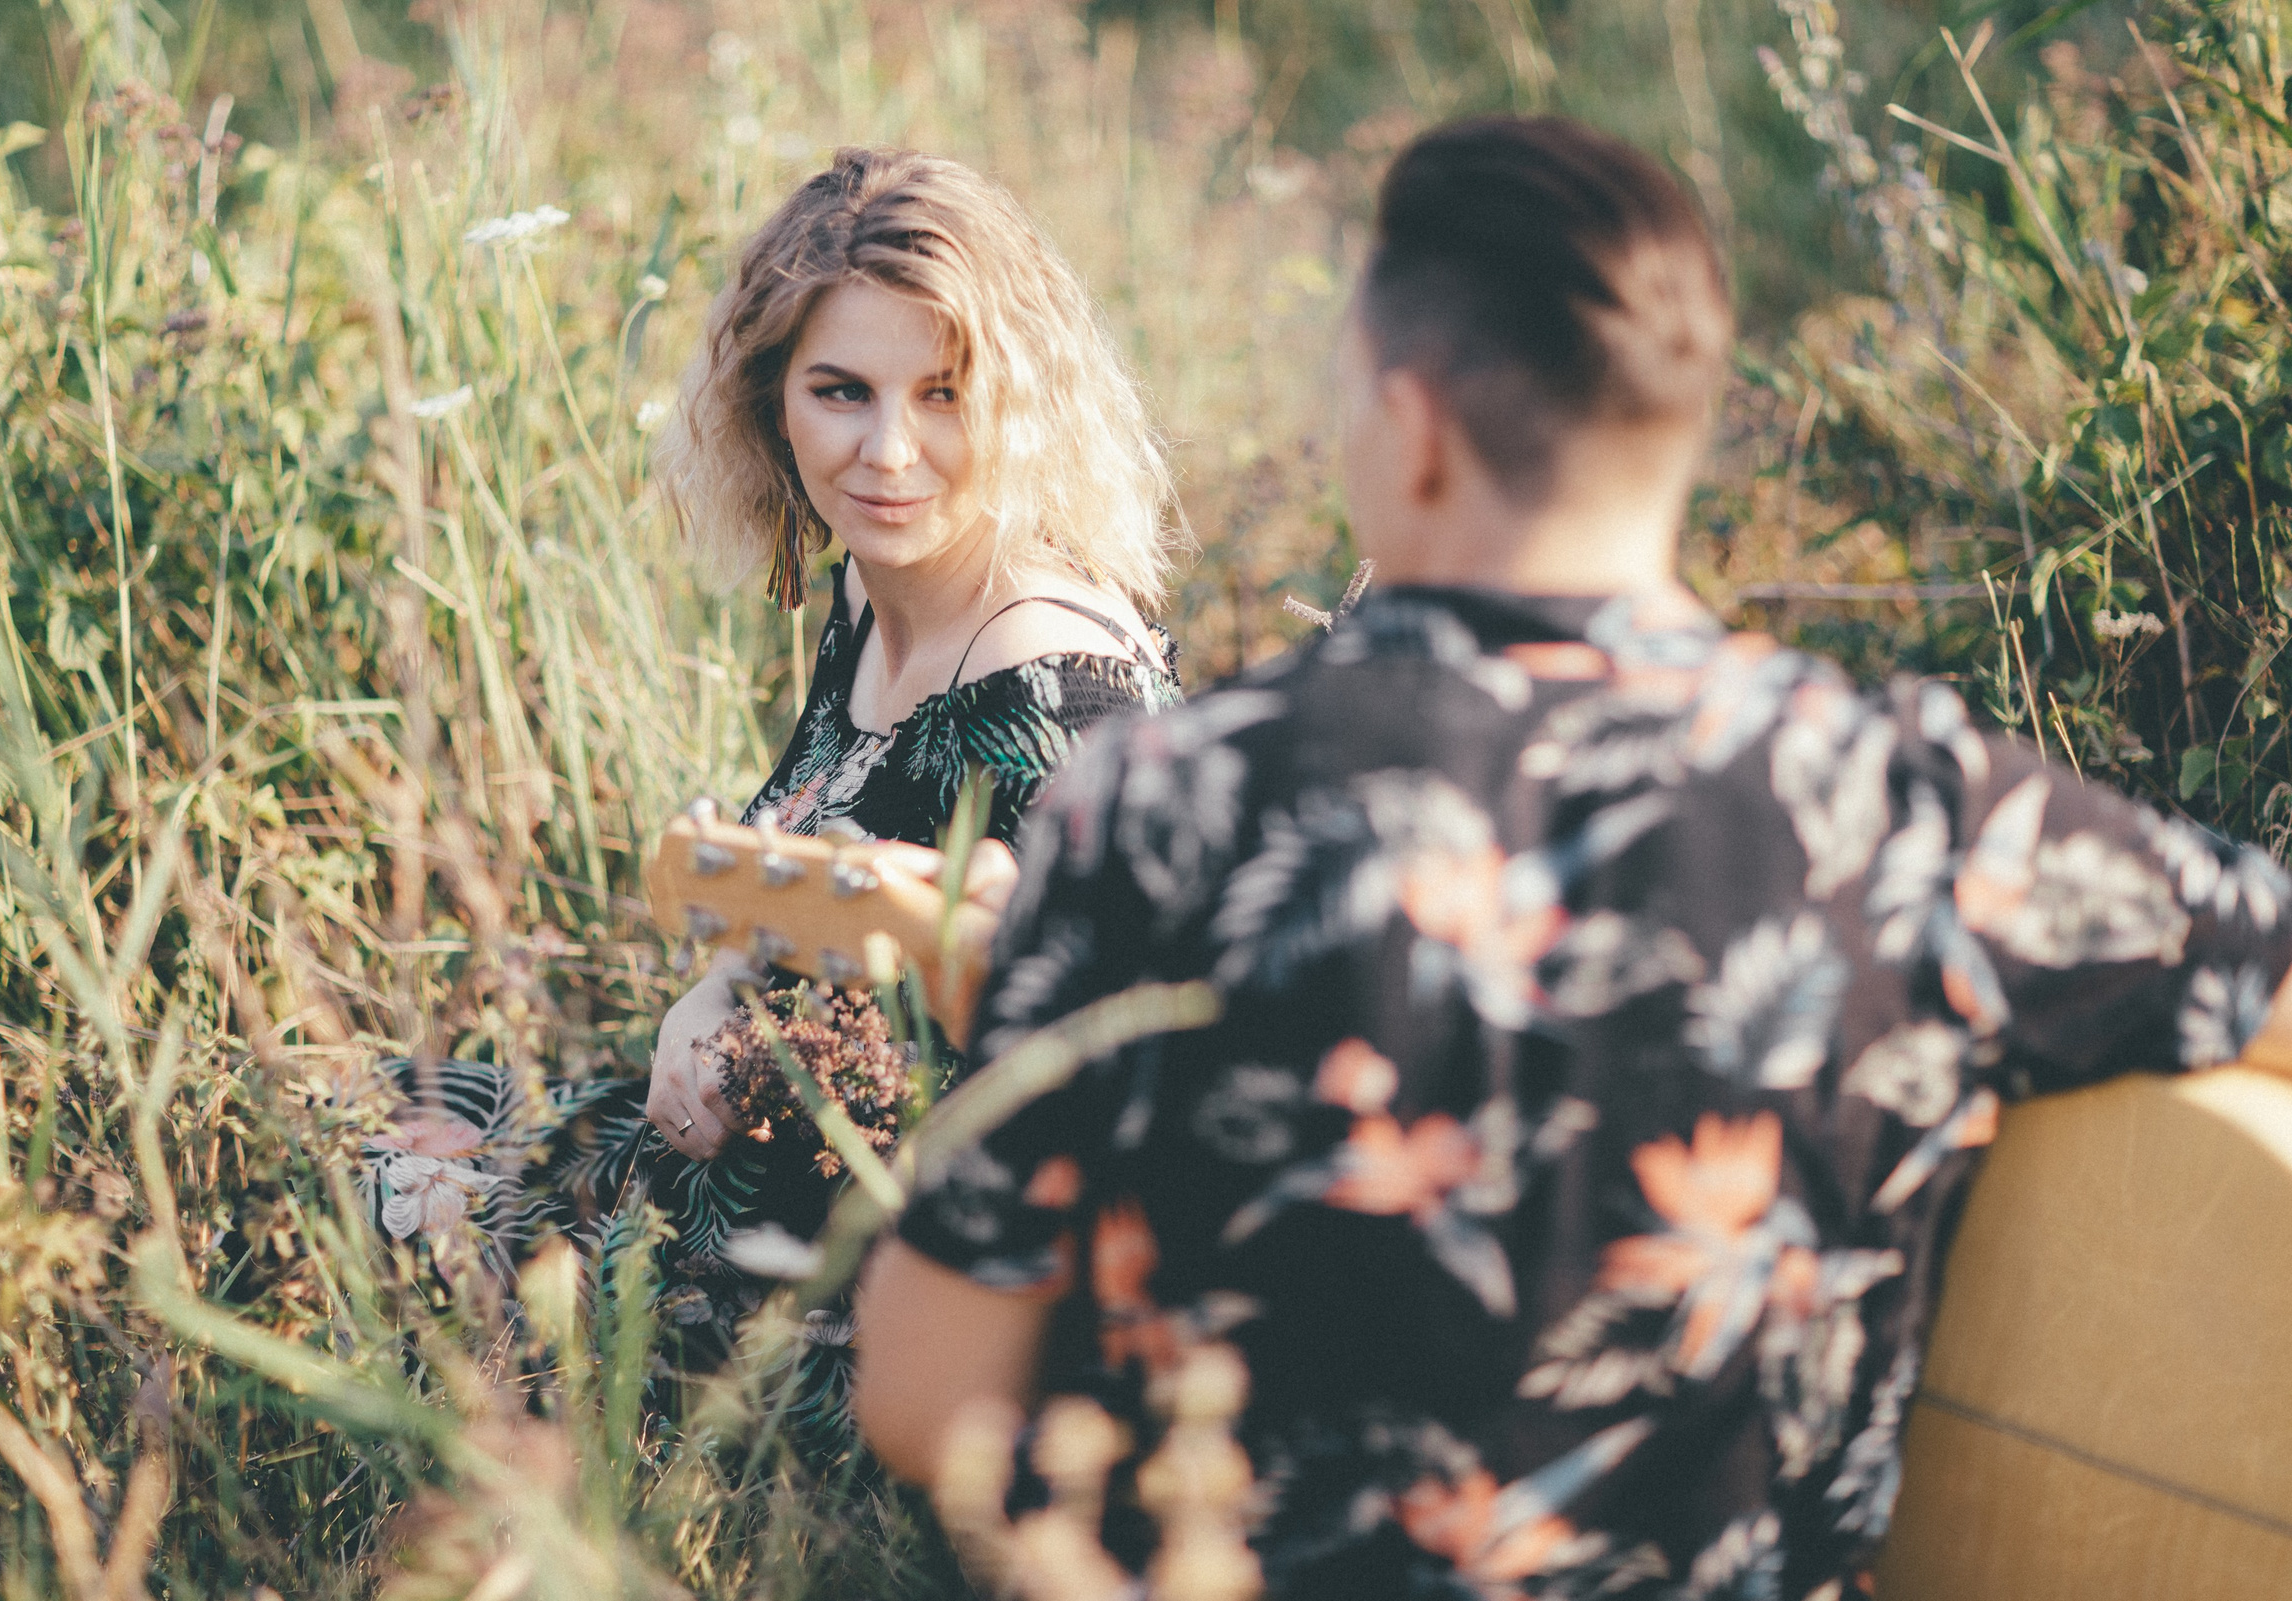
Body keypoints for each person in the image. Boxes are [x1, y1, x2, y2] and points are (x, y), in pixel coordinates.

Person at [853, 116, 2292, 1598]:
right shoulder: (1904, 804)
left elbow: (923, 1399)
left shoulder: (1168, 796)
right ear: (1677, 431)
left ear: (1411, 424)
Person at [357, 146, 1184, 1460]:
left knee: (388, 1203)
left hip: (868, 1304)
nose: (888, 452)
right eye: (840, 390)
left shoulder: (1057, 692)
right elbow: (812, 874)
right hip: (745, 1174)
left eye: (946, 394)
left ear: (1021, 405)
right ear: (771, 401)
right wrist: (713, 996)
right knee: (374, 1113)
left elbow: (1107, 1128)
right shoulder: (872, 588)